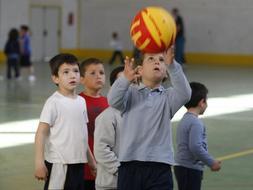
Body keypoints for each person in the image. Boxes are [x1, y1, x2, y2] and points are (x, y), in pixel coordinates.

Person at [107, 46, 191, 190]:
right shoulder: (130, 94)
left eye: (161, 60)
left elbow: (185, 94)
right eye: (151, 59)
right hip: (130, 164)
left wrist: (173, 65)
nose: (157, 62)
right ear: (140, 70)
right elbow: (113, 100)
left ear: (165, 73)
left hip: (160, 166)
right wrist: (125, 80)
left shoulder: (168, 97)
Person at [34, 53, 96, 190]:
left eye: (75, 71)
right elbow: (41, 133)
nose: (72, 75)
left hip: (79, 164)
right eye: (66, 72)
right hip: (59, 164)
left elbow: (82, 135)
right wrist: (39, 162)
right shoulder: (53, 103)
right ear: (55, 78)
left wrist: (91, 161)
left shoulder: (81, 101)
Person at [174, 82, 221, 190]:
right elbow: (195, 146)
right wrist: (212, 162)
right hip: (190, 169)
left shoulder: (185, 119)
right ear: (201, 102)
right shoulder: (196, 123)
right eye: (206, 101)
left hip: (182, 167)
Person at [79, 58, 109, 190]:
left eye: (101, 73)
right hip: (83, 168)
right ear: (81, 79)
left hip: (106, 167)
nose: (98, 76)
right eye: (92, 73)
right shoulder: (78, 102)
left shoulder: (109, 103)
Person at [94, 66, 124, 190]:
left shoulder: (138, 115)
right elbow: (101, 150)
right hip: (110, 184)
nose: (128, 87)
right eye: (122, 83)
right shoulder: (107, 116)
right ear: (112, 89)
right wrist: (121, 171)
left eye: (132, 83)